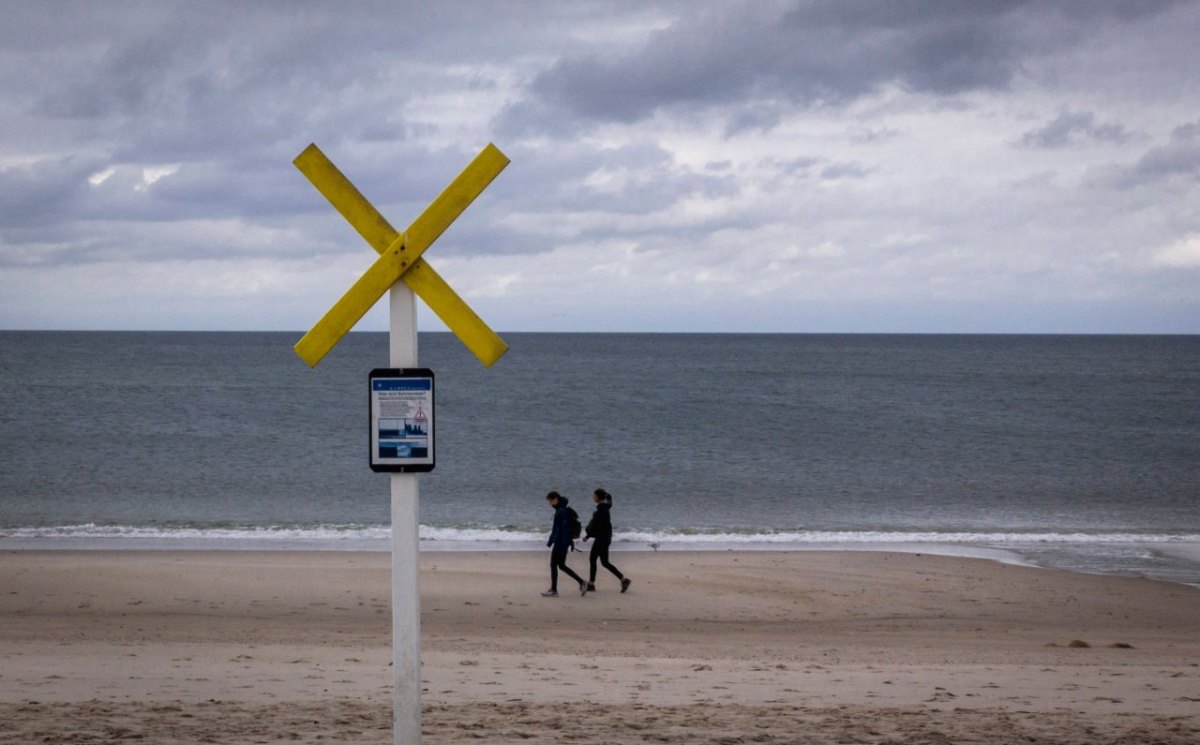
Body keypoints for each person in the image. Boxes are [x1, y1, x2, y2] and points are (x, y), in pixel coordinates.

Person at [581, 488, 631, 593]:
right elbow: (600, 525)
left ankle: (591, 584)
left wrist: (588, 535)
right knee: (604, 562)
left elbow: (598, 526)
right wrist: (589, 536)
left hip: (601, 539)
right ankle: (624, 580)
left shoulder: (601, 510)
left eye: (594, 495)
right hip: (606, 538)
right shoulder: (605, 507)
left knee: (593, 559)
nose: (593, 497)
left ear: (598, 497)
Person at [542, 490, 588, 597]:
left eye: (550, 501)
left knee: (554, 564)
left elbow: (560, 529)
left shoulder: (561, 511)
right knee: (561, 565)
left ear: (555, 499)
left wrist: (553, 542)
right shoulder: (563, 509)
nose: (550, 504)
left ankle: (554, 590)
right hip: (563, 542)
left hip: (561, 542)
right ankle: (581, 582)